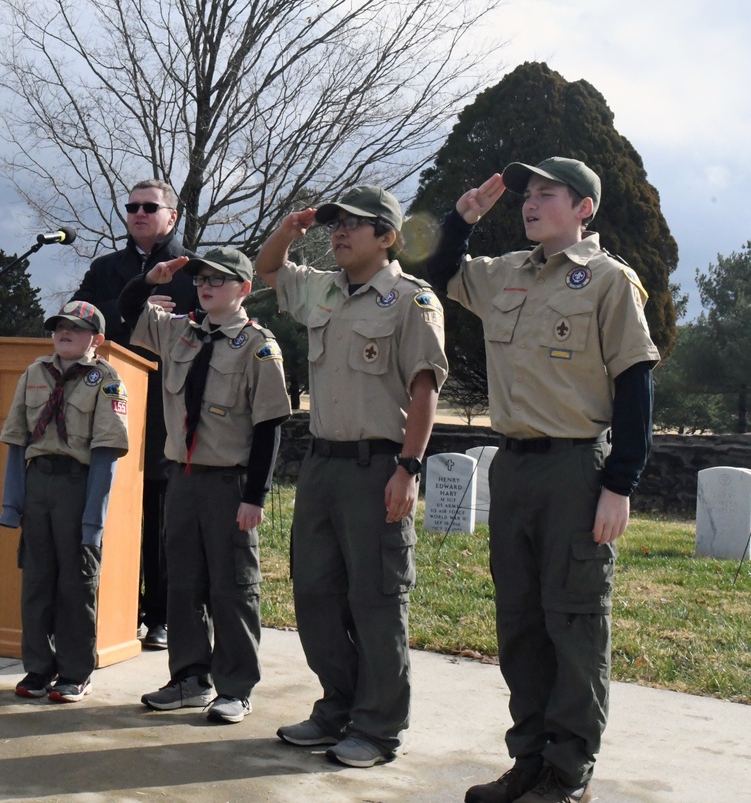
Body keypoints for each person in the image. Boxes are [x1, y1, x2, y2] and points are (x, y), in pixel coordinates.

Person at [425, 158, 660, 803]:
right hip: (516, 467)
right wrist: (461, 218)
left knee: (574, 620)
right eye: (527, 194)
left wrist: (620, 483)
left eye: (546, 194)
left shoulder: (610, 282)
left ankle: (568, 769)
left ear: (584, 207)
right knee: (521, 622)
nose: (530, 203)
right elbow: (438, 273)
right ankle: (528, 758)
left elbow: (635, 384)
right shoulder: (507, 273)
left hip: (575, 470)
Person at [255, 186, 448, 767]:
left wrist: (409, 468)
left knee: (377, 600)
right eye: (334, 224)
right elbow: (267, 270)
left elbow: (424, 388)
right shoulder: (324, 288)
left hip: (377, 467)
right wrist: (291, 228)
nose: (338, 233)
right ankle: (336, 706)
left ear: (387, 238)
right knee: (315, 595)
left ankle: (379, 726)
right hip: (321, 465)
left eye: (354, 225)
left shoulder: (412, 301)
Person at [119, 247, 291, 724]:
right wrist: (148, 280)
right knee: (182, 583)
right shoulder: (180, 332)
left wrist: (254, 496)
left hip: (229, 483)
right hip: (184, 478)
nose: (206, 286)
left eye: (219, 279)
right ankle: (190, 679)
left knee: (232, 587)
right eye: (200, 280)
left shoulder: (259, 346)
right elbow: (127, 313)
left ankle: (236, 687)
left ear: (244, 289)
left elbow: (269, 426)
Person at [71, 178, 199, 650]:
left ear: (172, 216)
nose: (138, 213)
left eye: (149, 207)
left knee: (159, 515)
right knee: (106, 505)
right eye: (132, 207)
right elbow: (75, 312)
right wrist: (131, 305)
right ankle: (111, 606)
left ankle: (160, 614)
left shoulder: (194, 270)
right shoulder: (107, 268)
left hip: (167, 406)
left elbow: (207, 321)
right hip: (105, 403)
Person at [0, 300, 129, 703]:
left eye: (75, 327)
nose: (64, 333)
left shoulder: (106, 380)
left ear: (97, 339)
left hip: (78, 486)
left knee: (76, 583)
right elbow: (18, 442)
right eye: (58, 327)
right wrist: (11, 504)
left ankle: (75, 672)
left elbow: (106, 454)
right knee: (36, 582)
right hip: (39, 487)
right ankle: (38, 668)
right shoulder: (34, 373)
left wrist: (94, 521)